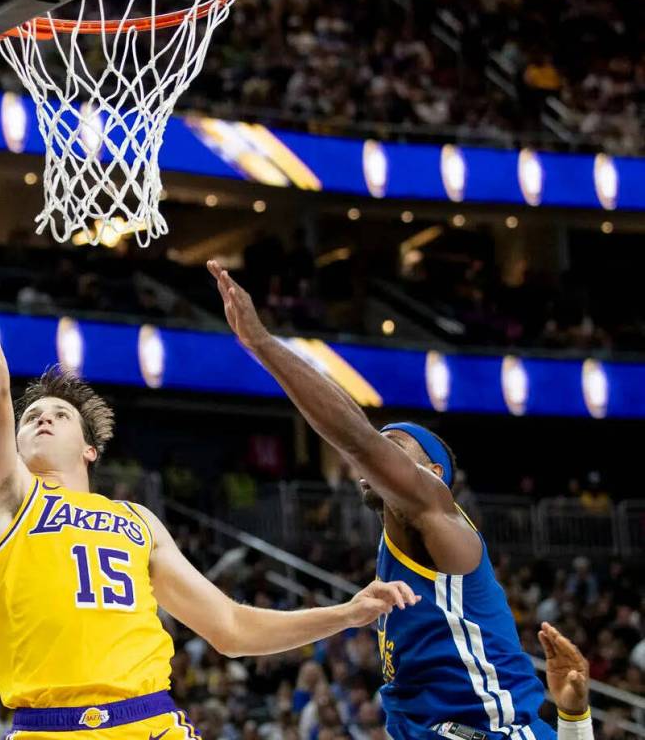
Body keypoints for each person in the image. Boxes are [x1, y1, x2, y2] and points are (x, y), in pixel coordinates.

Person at [0, 187, 419, 740]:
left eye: (59, 415)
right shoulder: (8, 498)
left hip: (150, 723)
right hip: (48, 728)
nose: (40, 419)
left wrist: (346, 614)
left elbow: (230, 627)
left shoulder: (137, 521)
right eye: (30, 416)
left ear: (90, 448)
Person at [207, 260, 554, 739]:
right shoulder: (394, 553)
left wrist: (263, 344)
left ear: (433, 473)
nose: (377, 456)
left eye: (397, 447)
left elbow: (357, 439)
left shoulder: (437, 513)